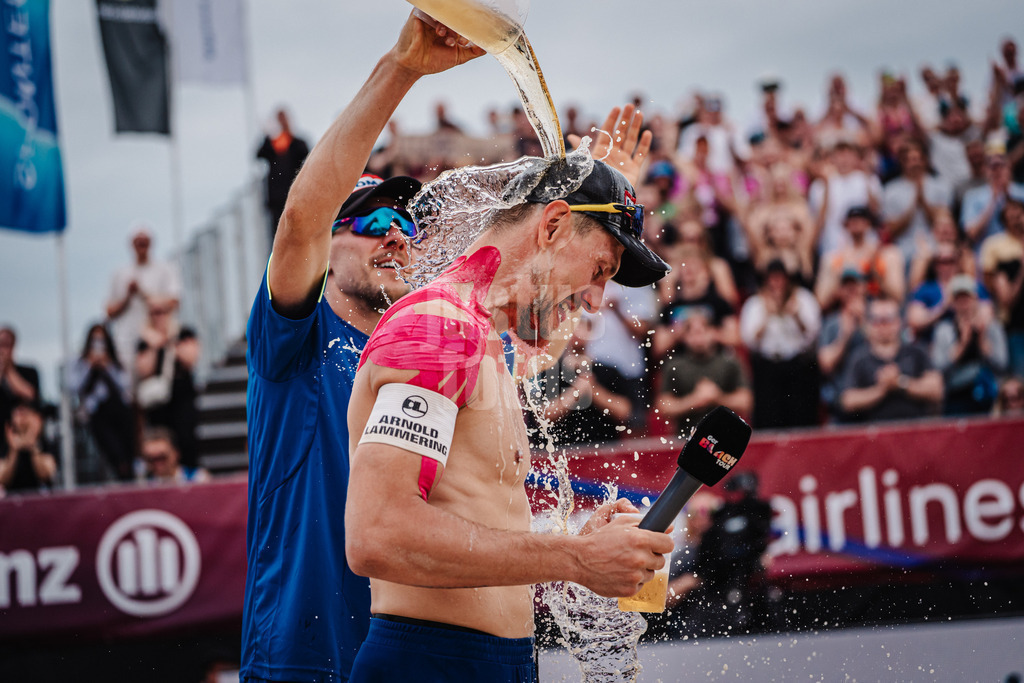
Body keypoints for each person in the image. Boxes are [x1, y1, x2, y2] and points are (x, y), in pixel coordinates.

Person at [343, 15, 675, 681]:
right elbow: (377, 534)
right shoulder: (438, 325)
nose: (595, 298)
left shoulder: (484, 334)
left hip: (483, 660)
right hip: (430, 662)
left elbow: (472, 519)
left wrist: (580, 545)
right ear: (552, 225)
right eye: (601, 269)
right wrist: (572, 562)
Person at [241, 152, 423, 683]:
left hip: (405, 647)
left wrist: (594, 226)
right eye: (371, 223)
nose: (394, 236)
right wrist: (399, 71)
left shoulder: (423, 350)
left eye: (404, 224)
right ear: (327, 245)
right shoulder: (293, 338)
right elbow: (299, 221)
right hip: (304, 653)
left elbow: (531, 333)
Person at [739, 259, 822, 429]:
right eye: (772, 279)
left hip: (798, 367)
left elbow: (813, 336)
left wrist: (796, 316)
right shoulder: (755, 304)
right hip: (767, 369)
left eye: (780, 279)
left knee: (801, 420)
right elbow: (749, 341)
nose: (776, 284)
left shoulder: (804, 299)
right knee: (769, 420)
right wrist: (766, 317)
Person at [839, 295, 944, 422]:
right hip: (871, 435)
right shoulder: (859, 358)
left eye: (887, 319)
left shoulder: (916, 352)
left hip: (915, 431)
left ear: (899, 322)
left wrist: (900, 382)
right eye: (877, 320)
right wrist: (881, 389)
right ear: (868, 324)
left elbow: (937, 390)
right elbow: (847, 400)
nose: (883, 325)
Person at [655, 306, 753, 435]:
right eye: (693, 332)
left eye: (703, 331)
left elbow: (746, 402)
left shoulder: (730, 362)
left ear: (713, 332)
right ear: (684, 337)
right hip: (686, 438)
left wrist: (718, 398)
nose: (698, 338)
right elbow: (663, 407)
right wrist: (693, 400)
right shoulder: (674, 366)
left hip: (725, 438)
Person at [105, 226, 181, 377]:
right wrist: (127, 296)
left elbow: (174, 302)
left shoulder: (165, 270)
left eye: (144, 241)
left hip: (157, 340)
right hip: (127, 341)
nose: (141, 246)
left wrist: (142, 293)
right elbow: (109, 311)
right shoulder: (120, 274)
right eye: (138, 242)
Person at [931, 275, 1008, 415]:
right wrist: (962, 344)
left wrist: (982, 340)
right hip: (956, 394)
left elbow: (1001, 364)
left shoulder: (992, 327)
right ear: (952, 303)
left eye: (967, 298)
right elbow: (938, 368)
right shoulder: (943, 330)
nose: (963, 303)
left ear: (975, 299)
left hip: (988, 393)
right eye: (958, 299)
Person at [71, 323, 135, 481]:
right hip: (97, 413)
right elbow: (74, 386)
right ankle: (120, 473)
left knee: (127, 450)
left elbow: (125, 384)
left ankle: (127, 475)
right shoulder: (81, 363)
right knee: (112, 450)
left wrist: (108, 365)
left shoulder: (115, 362)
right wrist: (89, 365)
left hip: (119, 411)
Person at [256, 108, 310, 238]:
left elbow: (306, 155)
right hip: (276, 200)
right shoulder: (271, 144)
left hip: (295, 197)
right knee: (277, 236)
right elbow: (259, 154)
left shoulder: (296, 143)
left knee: (297, 234)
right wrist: (267, 135)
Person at [0, 397, 57, 494]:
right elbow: (2, 478)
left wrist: (33, 445)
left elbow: (46, 473)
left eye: (26, 411)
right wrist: (14, 450)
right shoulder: (7, 443)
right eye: (17, 411)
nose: (22, 416)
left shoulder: (44, 443)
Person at [0, 326, 40, 429]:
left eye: (6, 345)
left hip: (20, 431)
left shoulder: (28, 372)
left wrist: (8, 369)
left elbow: (30, 394)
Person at [140, 426, 209, 483]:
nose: (157, 464)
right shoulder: (144, 485)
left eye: (162, 457)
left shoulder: (198, 478)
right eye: (151, 459)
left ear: (176, 453)